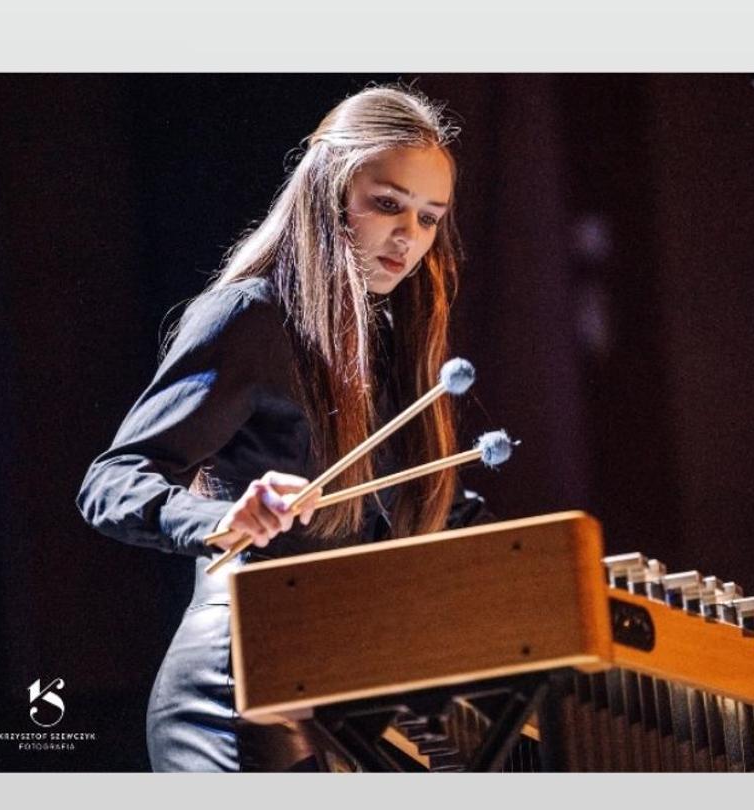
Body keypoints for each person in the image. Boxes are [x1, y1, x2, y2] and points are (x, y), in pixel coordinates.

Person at [76, 85, 489, 772]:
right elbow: (110, 481)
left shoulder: (395, 340)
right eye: (387, 204)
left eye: (427, 217)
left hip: (338, 681)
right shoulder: (251, 318)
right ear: (330, 194)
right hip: (237, 685)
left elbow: (393, 511)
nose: (408, 236)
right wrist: (219, 517)